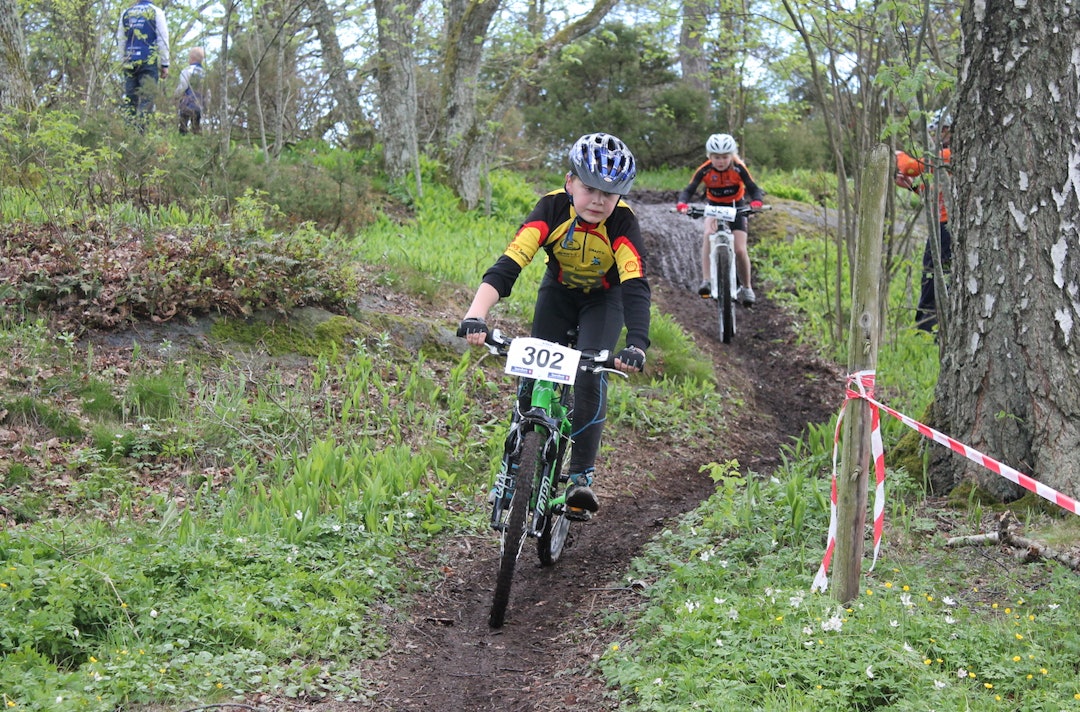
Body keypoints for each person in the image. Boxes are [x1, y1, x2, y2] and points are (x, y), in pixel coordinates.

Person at [457, 132, 650, 520]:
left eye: (609, 195)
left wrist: (637, 344)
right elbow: (509, 264)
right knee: (533, 367)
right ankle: (515, 464)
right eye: (589, 188)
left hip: (604, 300)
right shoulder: (550, 208)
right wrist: (475, 315)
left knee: (588, 375)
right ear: (569, 182)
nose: (598, 201)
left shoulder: (624, 223)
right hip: (558, 293)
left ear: (620, 198)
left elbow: (635, 286)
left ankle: (580, 477)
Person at [676, 133, 765, 305]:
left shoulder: (739, 168)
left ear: (732, 155)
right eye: (717, 157)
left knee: (740, 249)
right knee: (708, 234)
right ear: (710, 156)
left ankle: (747, 287)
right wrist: (682, 203)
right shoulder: (705, 169)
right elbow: (689, 189)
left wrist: (756, 202)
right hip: (714, 207)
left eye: (725, 157)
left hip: (736, 207)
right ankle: (707, 280)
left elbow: (754, 188)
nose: (721, 161)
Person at [895, 118, 952, 332]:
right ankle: (931, 329)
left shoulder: (948, 155)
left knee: (933, 278)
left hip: (946, 229)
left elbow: (911, 167)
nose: (934, 138)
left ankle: (927, 330)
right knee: (933, 277)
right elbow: (937, 194)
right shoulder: (944, 160)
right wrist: (912, 188)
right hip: (942, 226)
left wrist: (898, 156)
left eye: (936, 132)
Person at [117, 0, 170, 125]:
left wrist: (122, 61)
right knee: (147, 99)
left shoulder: (126, 13)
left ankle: (128, 134)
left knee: (130, 101)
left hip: (129, 61)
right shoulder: (156, 12)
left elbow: (121, 40)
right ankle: (141, 135)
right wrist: (165, 63)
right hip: (148, 61)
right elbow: (163, 38)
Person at [174, 47, 208, 135]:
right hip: (199, 104)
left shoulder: (187, 70)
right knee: (196, 126)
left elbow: (183, 85)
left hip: (187, 103)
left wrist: (176, 95)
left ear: (192, 58)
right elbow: (208, 92)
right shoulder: (205, 73)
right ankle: (196, 144)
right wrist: (207, 105)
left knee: (183, 126)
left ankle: (182, 141)